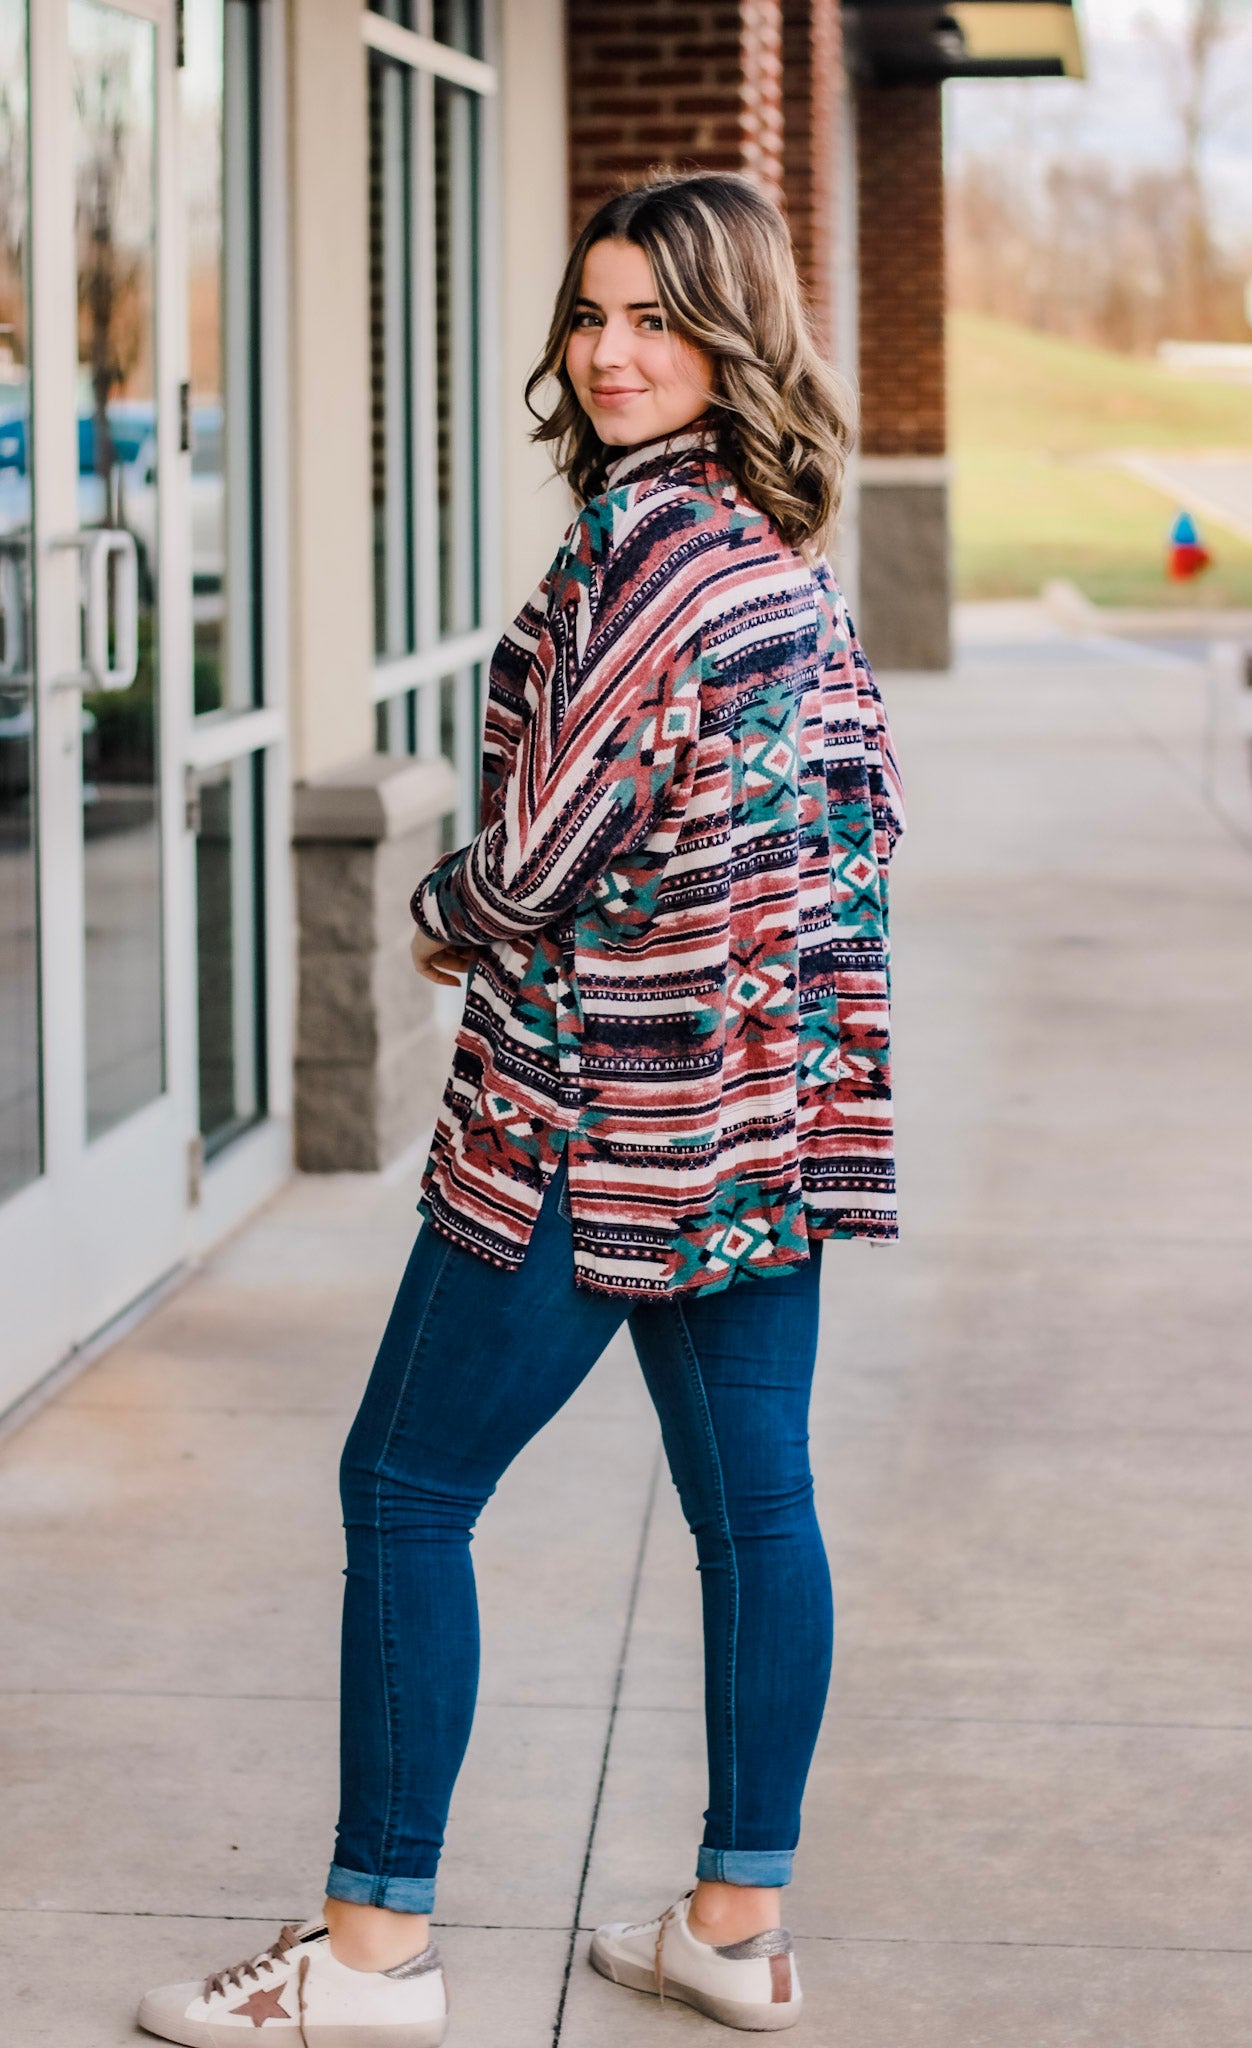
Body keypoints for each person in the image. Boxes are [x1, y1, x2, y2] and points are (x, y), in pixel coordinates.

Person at [138, 167, 905, 2047]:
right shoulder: (777, 557)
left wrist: (439, 910)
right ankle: (736, 1927)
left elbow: (547, 851)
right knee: (758, 1509)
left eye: (658, 319)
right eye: (591, 315)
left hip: (595, 1116)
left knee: (404, 1486)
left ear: (733, 338)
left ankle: (371, 1953)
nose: (612, 353)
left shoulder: (648, 552)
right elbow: (858, 828)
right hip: (758, 1118)